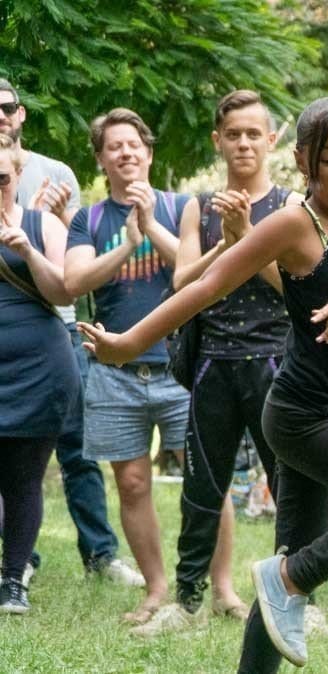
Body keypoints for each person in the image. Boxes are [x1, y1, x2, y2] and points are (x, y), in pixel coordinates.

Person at [81, 96, 328, 671]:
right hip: (302, 415)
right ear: (304, 159)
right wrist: (127, 345)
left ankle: (285, 583)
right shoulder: (293, 225)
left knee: (282, 596)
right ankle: (289, 576)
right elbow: (204, 287)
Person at [128, 90, 303, 637]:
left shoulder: (292, 207)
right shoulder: (197, 207)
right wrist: (226, 244)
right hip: (212, 366)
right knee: (201, 487)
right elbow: (184, 283)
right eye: (234, 134)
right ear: (218, 142)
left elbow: (295, 289)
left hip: (276, 364)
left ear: (271, 140)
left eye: (255, 133)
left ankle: (299, 599)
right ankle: (187, 602)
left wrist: (249, 238)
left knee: (290, 484)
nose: (245, 143)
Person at [0, 79, 138, 587]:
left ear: (21, 115)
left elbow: (80, 243)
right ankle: (21, 560)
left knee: (77, 451)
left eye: (7, 107)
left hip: (56, 333)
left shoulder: (54, 172)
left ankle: (99, 554)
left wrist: (56, 215)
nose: (0, 115)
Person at [63, 108, 195, 624]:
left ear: (149, 152)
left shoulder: (182, 206)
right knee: (133, 483)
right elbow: (75, 283)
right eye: (113, 146)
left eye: (133, 144)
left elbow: (192, 270)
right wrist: (129, 244)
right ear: (101, 160)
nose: (125, 153)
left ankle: (215, 586)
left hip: (180, 368)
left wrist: (151, 227)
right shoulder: (89, 220)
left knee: (204, 480)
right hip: (115, 372)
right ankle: (157, 588)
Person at [0, 134, 80, 613]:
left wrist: (29, 251)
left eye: (2, 179)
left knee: (24, 480)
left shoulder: (41, 223)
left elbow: (66, 293)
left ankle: (13, 581)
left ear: (16, 175)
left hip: (39, 371)